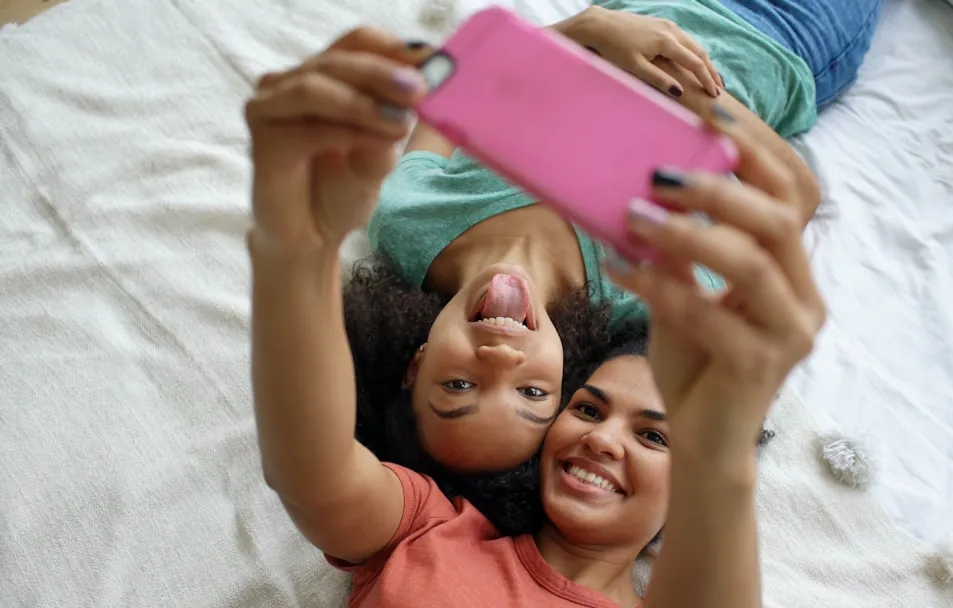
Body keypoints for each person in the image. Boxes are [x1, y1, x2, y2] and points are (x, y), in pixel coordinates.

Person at [245, 26, 826, 606]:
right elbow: (788, 197)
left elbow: (314, 476)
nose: (601, 440)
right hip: (770, 49)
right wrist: (717, 451)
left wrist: (295, 255)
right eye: (651, 433)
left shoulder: (433, 533)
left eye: (579, 406)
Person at [349, 0, 882, 492]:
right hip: (775, 31)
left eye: (460, 384)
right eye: (531, 394)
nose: (501, 356)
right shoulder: (641, 289)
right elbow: (793, 194)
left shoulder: (408, 223)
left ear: (417, 364)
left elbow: (452, 77)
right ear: (563, 388)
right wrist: (681, 86)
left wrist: (590, 29)